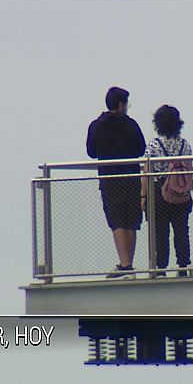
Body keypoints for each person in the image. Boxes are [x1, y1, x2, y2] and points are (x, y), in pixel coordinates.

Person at [86, 87, 146, 279]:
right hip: (131, 178)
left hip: (109, 179)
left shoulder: (96, 125)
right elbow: (140, 149)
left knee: (117, 221)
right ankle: (129, 263)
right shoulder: (131, 125)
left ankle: (125, 264)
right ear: (121, 104)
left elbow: (91, 152)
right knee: (131, 221)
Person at [141, 105, 193, 278]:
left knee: (160, 231)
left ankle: (161, 267)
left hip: (159, 192)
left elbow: (147, 173)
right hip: (181, 193)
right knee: (181, 229)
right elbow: (189, 171)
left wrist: (143, 196)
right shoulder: (185, 145)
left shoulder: (154, 145)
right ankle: (183, 265)